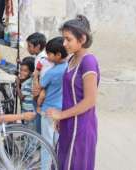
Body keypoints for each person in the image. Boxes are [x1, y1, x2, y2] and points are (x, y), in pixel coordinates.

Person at [46, 15, 100, 170]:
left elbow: (90, 100)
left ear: (82, 39)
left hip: (81, 126)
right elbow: (70, 93)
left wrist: (61, 115)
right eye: (64, 39)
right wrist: (62, 118)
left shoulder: (88, 62)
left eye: (68, 39)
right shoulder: (71, 59)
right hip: (69, 122)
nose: (64, 44)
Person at [37, 37, 68, 169]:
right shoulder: (68, 67)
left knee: (46, 144)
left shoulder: (52, 72)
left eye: (49, 54)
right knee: (57, 143)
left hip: (49, 110)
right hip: (61, 111)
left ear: (58, 55)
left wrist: (35, 74)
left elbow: (41, 85)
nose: (47, 56)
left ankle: (45, 168)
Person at [26, 32, 54, 133]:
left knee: (39, 118)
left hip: (40, 95)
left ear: (37, 46)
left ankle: (38, 140)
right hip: (39, 93)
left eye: (29, 46)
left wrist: (39, 94)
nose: (27, 48)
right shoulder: (39, 57)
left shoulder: (43, 59)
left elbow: (43, 78)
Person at [15, 57, 35, 128]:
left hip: (28, 111)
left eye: (25, 71)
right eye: (21, 70)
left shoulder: (28, 84)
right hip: (26, 109)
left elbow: (21, 97)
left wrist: (17, 85)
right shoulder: (28, 80)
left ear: (30, 73)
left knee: (29, 129)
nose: (21, 72)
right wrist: (20, 62)